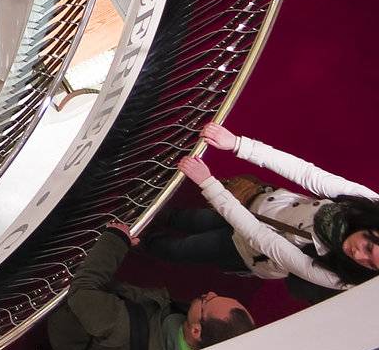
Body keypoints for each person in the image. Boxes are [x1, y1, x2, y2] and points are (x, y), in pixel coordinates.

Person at [146, 121, 379, 298]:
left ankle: (137, 240)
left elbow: (262, 239)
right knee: (193, 218)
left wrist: (209, 185)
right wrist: (238, 144)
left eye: (370, 263)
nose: (358, 256)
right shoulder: (367, 203)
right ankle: (155, 216)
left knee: (183, 248)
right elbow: (308, 174)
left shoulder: (342, 277)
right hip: (258, 206)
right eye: (368, 246)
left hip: (248, 249)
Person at [40, 223, 254, 350]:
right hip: (105, 340)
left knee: (63, 348)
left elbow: (83, 290)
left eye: (208, 301)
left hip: (69, 335)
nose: (209, 293)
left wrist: (115, 239)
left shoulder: (121, 327)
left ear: (196, 331)